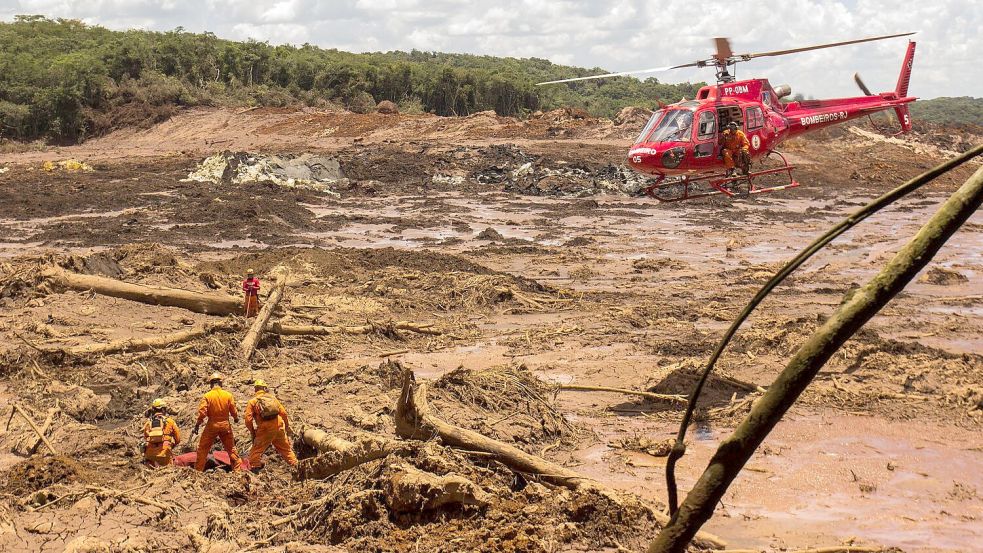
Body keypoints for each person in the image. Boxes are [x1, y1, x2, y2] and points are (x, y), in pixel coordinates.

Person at [193, 372, 242, 472]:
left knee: (202, 449)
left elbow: (202, 412)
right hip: (225, 425)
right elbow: (233, 410)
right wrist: (236, 418)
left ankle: (198, 472)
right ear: (221, 383)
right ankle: (238, 472)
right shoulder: (228, 395)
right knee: (231, 449)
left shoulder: (207, 396)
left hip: (212, 425)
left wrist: (197, 424)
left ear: (211, 384)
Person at [245, 379, 297, 471]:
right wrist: (286, 427)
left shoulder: (252, 402)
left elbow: (248, 420)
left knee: (256, 451)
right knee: (286, 450)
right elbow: (284, 413)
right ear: (265, 388)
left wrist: (253, 432)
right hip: (279, 425)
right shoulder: (273, 398)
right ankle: (297, 467)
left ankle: (255, 471)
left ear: (255, 389)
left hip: (265, 429)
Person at [143, 398, 181, 467]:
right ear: (163, 409)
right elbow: (178, 439)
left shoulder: (148, 423)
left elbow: (146, 438)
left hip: (150, 455)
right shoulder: (170, 421)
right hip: (165, 453)